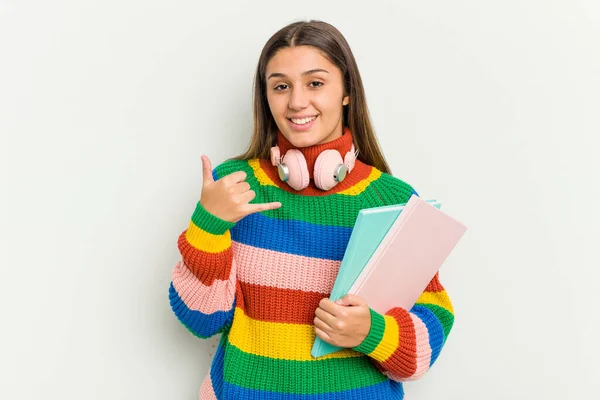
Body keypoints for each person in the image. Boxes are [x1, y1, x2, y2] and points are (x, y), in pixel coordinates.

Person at [169, 19, 454, 400]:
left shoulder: (393, 200)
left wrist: (373, 333)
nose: (297, 102)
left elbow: (424, 347)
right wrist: (208, 224)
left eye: (315, 83)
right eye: (281, 86)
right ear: (266, 96)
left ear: (347, 92)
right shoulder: (233, 187)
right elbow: (200, 320)